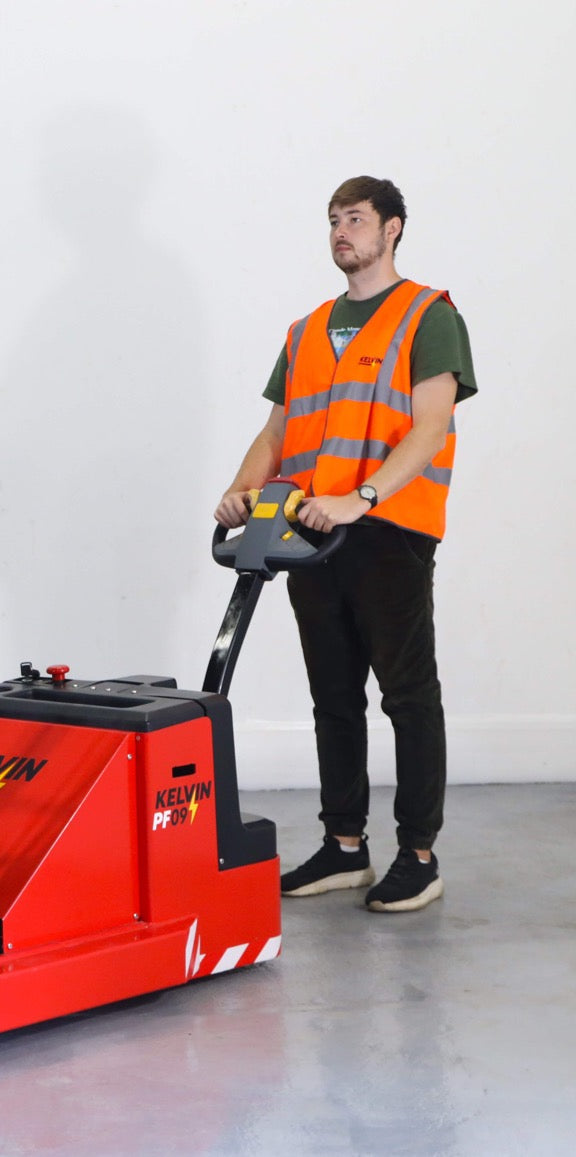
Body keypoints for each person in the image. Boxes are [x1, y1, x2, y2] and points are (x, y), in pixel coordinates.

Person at [215, 176, 476, 913]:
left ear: (393, 229)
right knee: (333, 695)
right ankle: (344, 846)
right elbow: (276, 433)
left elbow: (429, 425)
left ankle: (418, 855)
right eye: (333, 220)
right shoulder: (304, 330)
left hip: (388, 529)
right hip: (305, 533)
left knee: (407, 695)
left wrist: (360, 497)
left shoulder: (428, 314)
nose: (341, 231)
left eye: (355, 219)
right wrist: (241, 495)